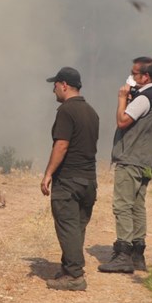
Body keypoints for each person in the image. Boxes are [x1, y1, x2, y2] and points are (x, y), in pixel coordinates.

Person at [99, 56, 152, 274]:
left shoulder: (144, 98)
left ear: (146, 76)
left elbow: (122, 121)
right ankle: (138, 254)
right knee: (137, 206)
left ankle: (124, 254)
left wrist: (122, 99)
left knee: (122, 205)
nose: (131, 77)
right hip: (146, 160)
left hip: (132, 159)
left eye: (134, 73)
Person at [40, 67, 100, 291]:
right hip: (88, 181)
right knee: (76, 228)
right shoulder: (91, 111)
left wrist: (48, 174)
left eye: (55, 85)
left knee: (67, 227)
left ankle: (75, 276)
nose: (53, 89)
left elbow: (62, 144)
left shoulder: (66, 111)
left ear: (64, 85)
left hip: (69, 181)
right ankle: (68, 267)